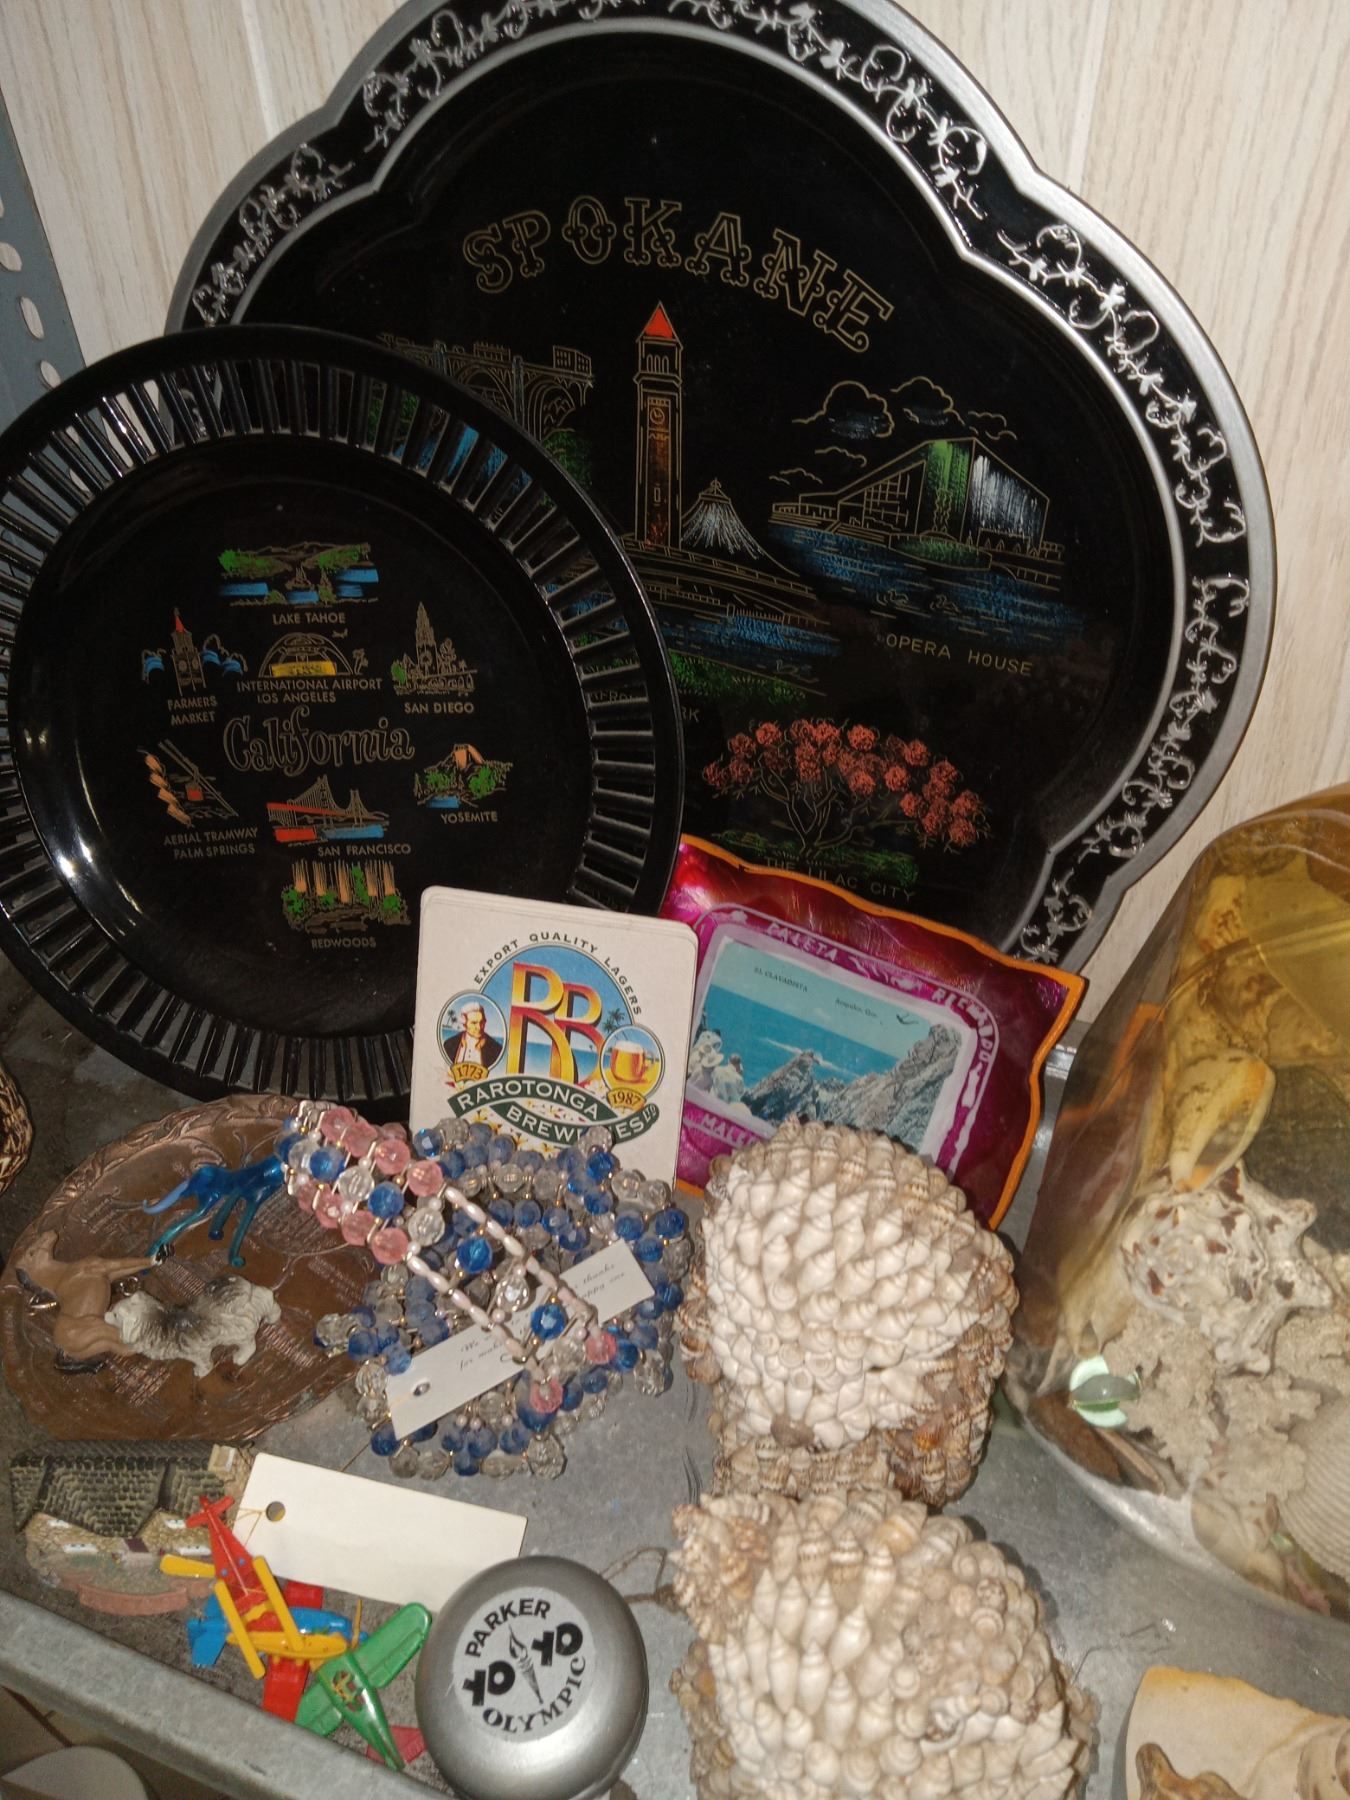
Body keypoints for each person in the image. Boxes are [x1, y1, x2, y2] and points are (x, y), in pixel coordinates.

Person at [444, 1000, 502, 1068]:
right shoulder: (449, 1044)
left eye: (482, 1022)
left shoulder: (496, 1049)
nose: (479, 1027)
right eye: (474, 1023)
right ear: (464, 1023)